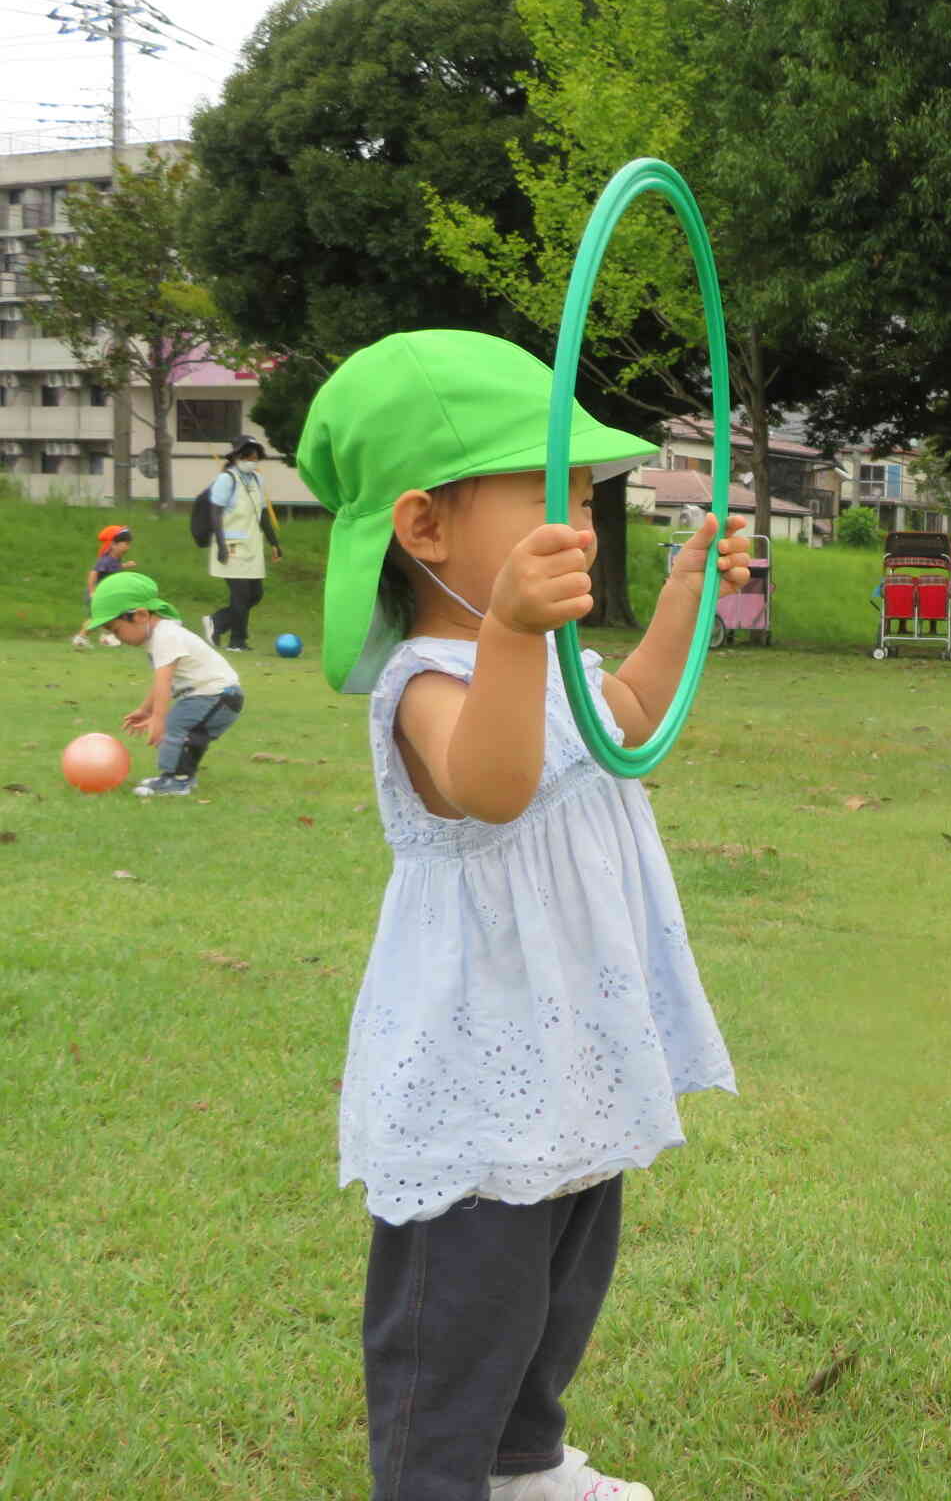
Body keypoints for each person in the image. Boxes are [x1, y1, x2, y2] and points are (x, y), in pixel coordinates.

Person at [296, 329, 749, 1501]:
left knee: (559, 1274)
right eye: (547, 494)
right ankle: (440, 1479)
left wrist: (684, 600)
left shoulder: (555, 664)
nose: (584, 522)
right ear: (426, 529)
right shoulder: (427, 683)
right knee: (462, 1304)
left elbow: (631, 720)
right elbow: (489, 790)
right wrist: (506, 634)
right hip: (477, 1061)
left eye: (588, 498)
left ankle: (524, 1463)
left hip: (573, 1047)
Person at [87, 570, 244, 798]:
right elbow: (163, 683)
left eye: (116, 629)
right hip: (215, 696)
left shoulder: (165, 636)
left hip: (217, 695)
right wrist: (145, 710)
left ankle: (175, 782)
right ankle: (181, 777)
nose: (117, 637)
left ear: (140, 615)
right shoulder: (159, 637)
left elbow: (164, 681)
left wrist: (159, 718)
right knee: (187, 733)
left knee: (175, 727)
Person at [202, 436, 283, 651]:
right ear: (238, 456)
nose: (253, 461)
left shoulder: (257, 479)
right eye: (249, 456)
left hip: (252, 546)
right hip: (231, 545)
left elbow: (262, 513)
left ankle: (217, 622)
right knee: (241, 595)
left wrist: (274, 542)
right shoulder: (226, 479)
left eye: (256, 457)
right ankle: (237, 641)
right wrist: (220, 544)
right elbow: (215, 513)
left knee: (255, 594)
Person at [72, 522, 135, 648]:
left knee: (110, 614)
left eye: (129, 544)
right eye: (126, 544)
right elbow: (93, 574)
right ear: (113, 544)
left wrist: (124, 566)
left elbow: (113, 569)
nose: (128, 547)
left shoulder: (115, 560)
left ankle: (105, 637)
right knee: (98, 617)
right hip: (98, 594)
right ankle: (81, 637)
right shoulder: (106, 560)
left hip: (106, 594)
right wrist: (92, 592)